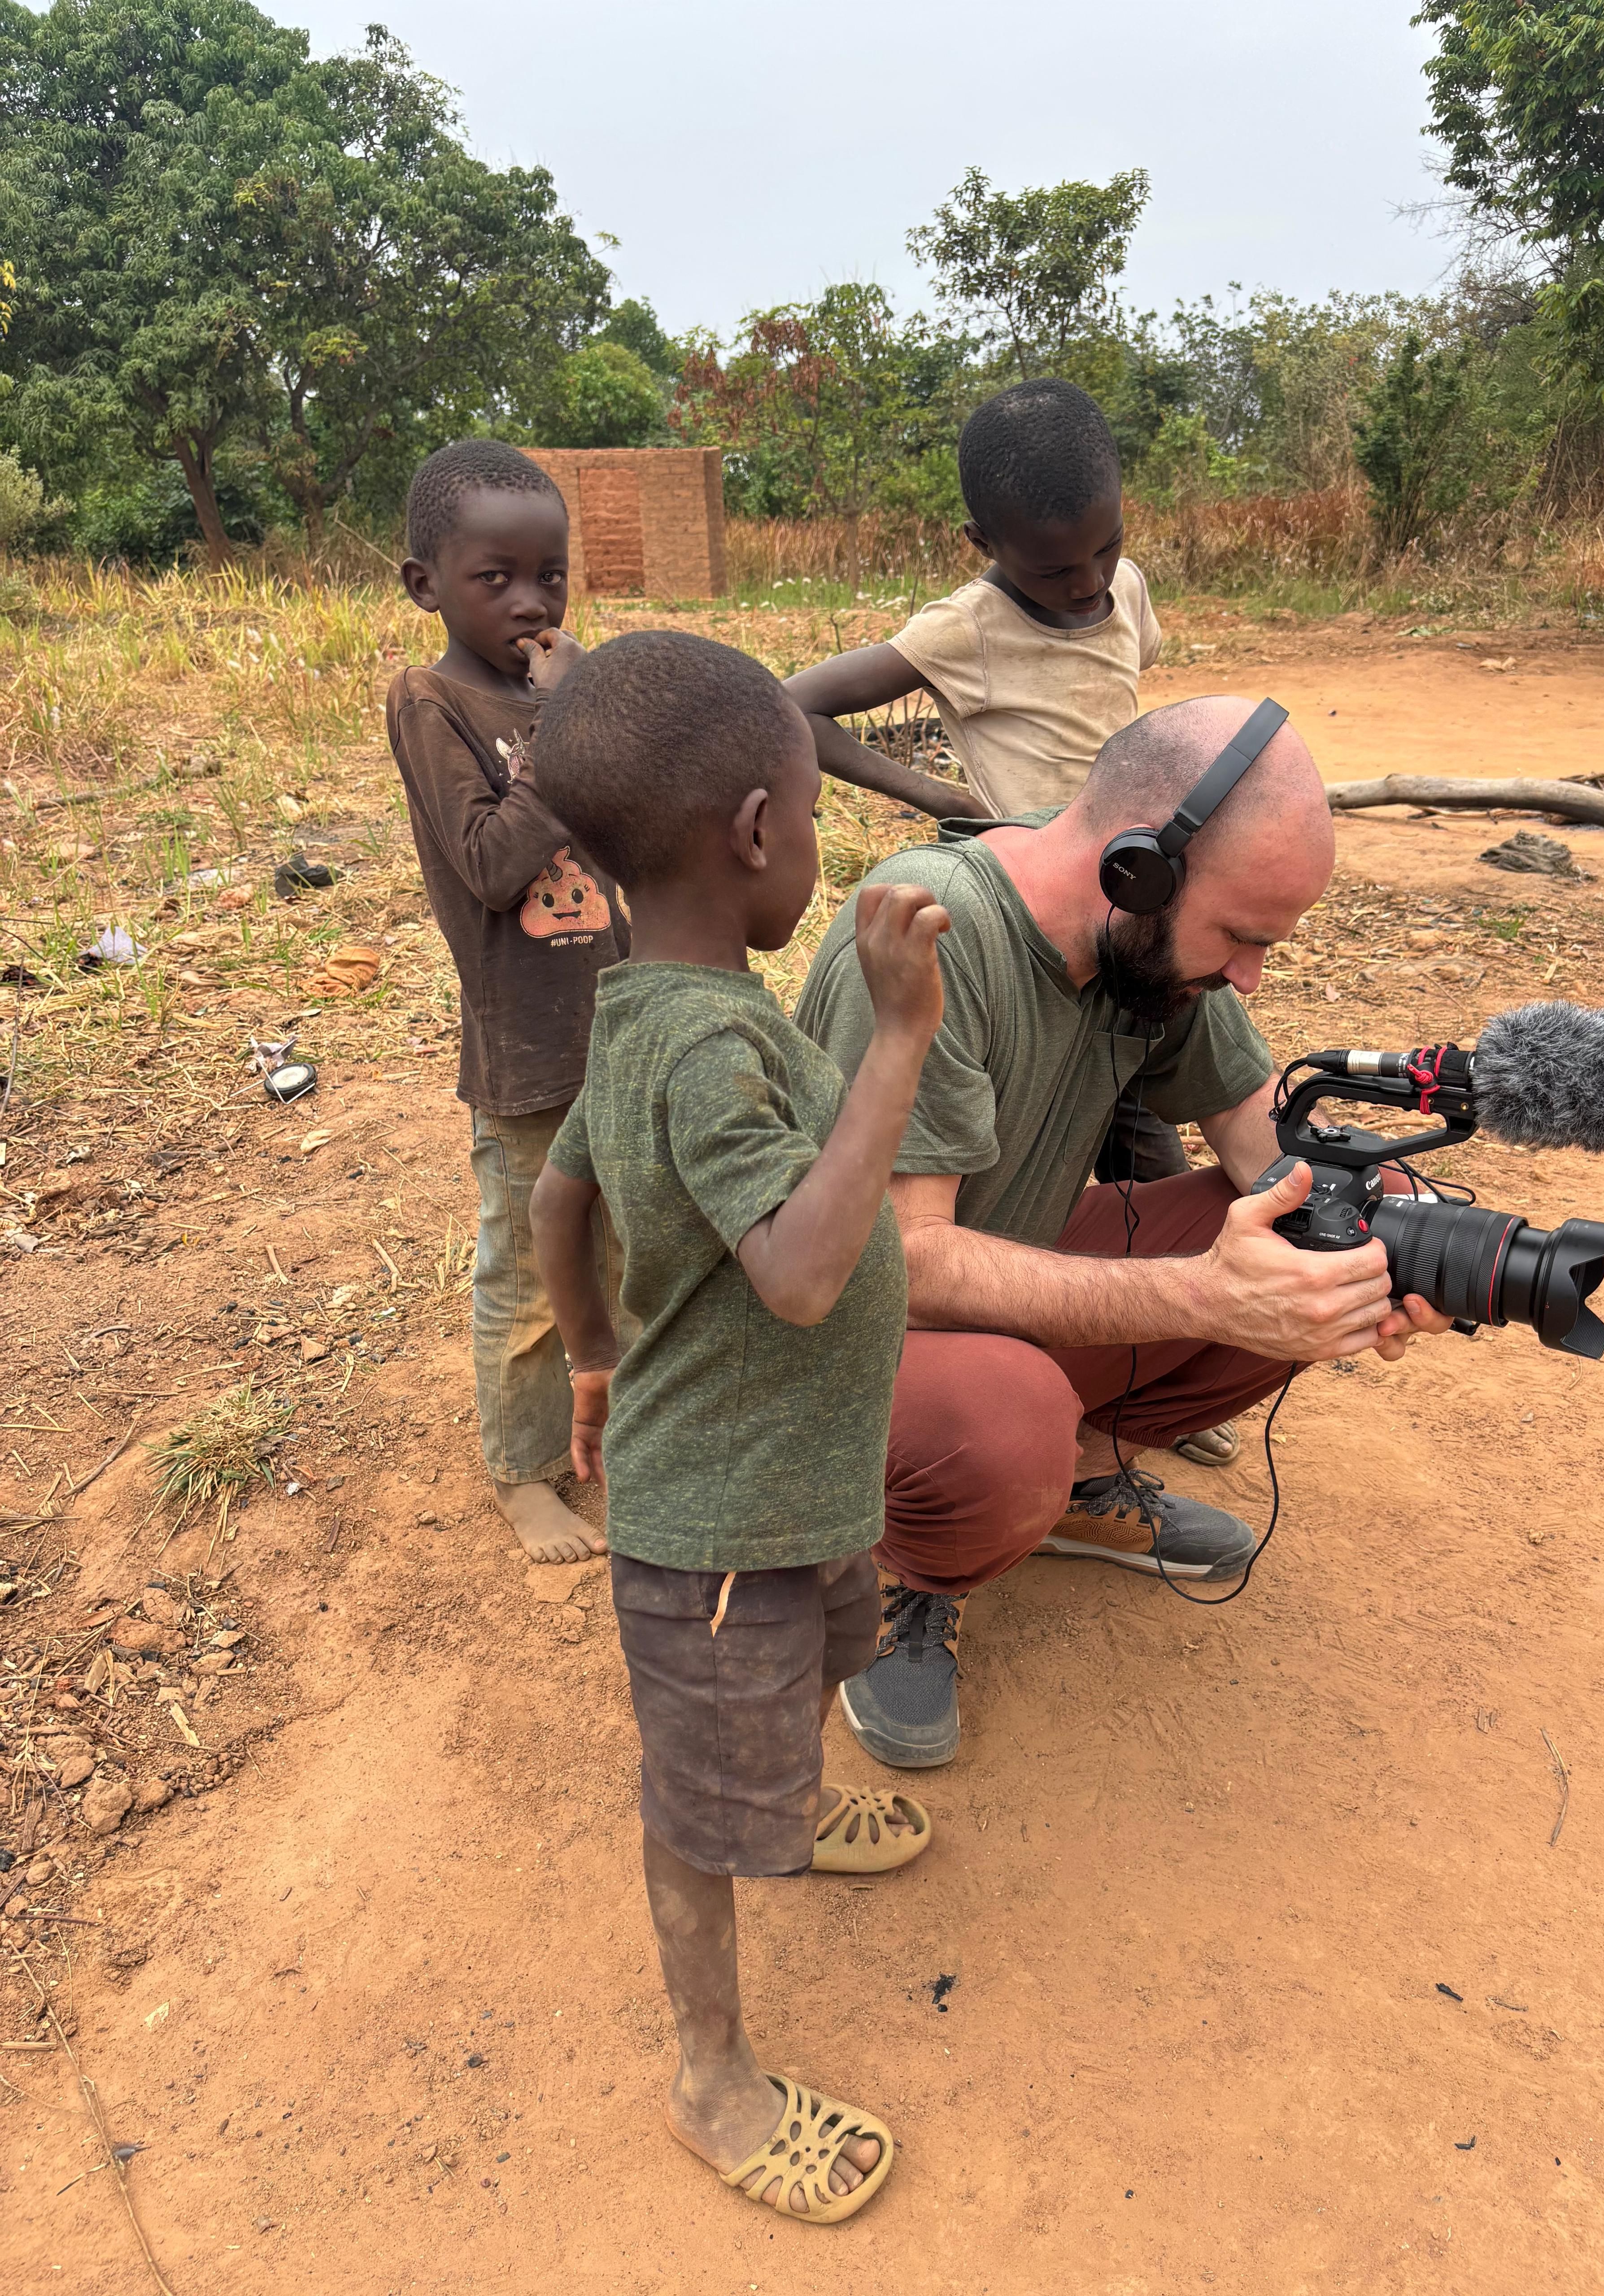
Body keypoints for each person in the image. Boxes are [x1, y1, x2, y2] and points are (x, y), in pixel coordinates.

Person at [796, 694, 1453, 1769]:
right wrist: (1201, 1295)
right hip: (837, 1339)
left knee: (1300, 1240)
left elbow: (1264, 1154)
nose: (1250, 976)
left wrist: (1398, 1237)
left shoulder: (1146, 939)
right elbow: (899, 1264)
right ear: (1136, 868)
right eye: (1243, 937)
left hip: (990, 1285)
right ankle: (898, 1569)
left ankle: (1074, 1487)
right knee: (1007, 1425)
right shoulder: (929, 934)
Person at [527, 629, 950, 2225]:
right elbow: (797, 1273)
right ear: (760, 833)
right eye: (815, 813)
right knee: (700, 1805)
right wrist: (899, 1037)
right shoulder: (707, 1047)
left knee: (824, 1650)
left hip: (787, 1495)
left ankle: (807, 1795)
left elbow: (566, 1188)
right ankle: (710, 2078)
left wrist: (589, 1355)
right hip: (713, 1540)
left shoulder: (653, 1010)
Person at [785, 375, 1236, 1467]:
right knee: (1001, 1147)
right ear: (980, 539)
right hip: (1018, 912)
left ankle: (1131, 1368)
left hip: (1133, 902)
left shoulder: (1124, 588)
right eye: (1052, 569)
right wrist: (936, 797)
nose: (1084, 587)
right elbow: (791, 704)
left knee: (1143, 1130)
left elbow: (1123, 701)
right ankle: (986, 1387)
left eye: (1101, 551)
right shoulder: (966, 628)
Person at [389, 437, 623, 1567]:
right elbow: (489, 864)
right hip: (528, 1049)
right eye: (497, 577)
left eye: (553, 575)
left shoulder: (564, 695)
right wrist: (562, 734)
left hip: (619, 1026)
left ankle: (599, 1434)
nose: (533, 602)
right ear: (426, 583)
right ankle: (524, 1470)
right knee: (532, 1272)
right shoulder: (431, 701)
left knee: (619, 1249)